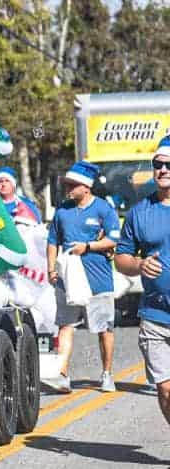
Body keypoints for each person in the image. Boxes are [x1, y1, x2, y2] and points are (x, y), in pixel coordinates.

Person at [45, 160, 121, 393]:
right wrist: (51, 269)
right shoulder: (62, 212)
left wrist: (88, 246)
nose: (68, 189)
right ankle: (62, 374)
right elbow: (52, 242)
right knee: (65, 326)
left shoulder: (103, 209)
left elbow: (113, 238)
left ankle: (107, 374)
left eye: (73, 185)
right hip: (68, 279)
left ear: (86, 187)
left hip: (98, 278)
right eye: (67, 184)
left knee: (103, 328)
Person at [114, 136, 170, 424]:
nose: (162, 170)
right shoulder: (139, 212)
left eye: (168, 164)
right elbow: (121, 258)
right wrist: (139, 263)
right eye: (158, 164)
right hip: (155, 315)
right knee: (166, 390)